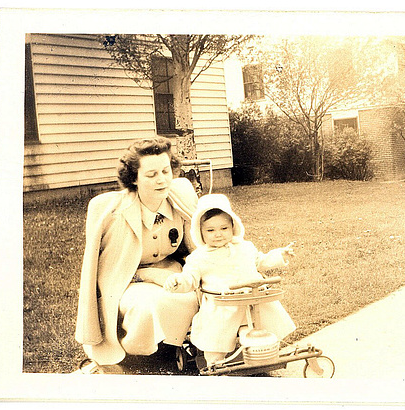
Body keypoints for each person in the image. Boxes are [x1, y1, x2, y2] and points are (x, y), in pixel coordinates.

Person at [75, 137, 200, 369]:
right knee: (148, 305)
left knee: (201, 295)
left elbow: (199, 247)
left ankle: (193, 345)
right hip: (128, 280)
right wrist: (149, 277)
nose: (162, 180)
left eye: (166, 170)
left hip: (172, 272)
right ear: (134, 178)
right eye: (151, 175)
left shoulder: (179, 201)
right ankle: (142, 356)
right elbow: (106, 272)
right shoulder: (114, 214)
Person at [164, 193, 296, 368]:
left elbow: (260, 261)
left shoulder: (245, 248)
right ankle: (215, 363)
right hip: (222, 307)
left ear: (233, 227)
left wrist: (280, 255)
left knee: (266, 329)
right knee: (216, 337)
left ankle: (266, 354)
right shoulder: (199, 257)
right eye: (210, 230)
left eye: (224, 228)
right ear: (200, 232)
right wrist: (178, 282)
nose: (218, 234)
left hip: (253, 303)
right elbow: (191, 278)